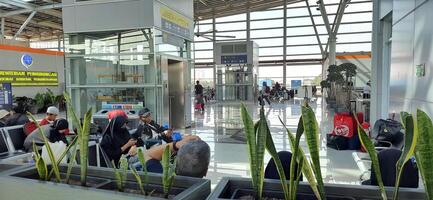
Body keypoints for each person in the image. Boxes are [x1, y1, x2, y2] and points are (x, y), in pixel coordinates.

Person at [145, 136, 210, 178]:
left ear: (175, 166)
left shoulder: (161, 180)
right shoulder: (207, 194)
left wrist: (176, 145)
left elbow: (147, 154)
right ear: (206, 172)